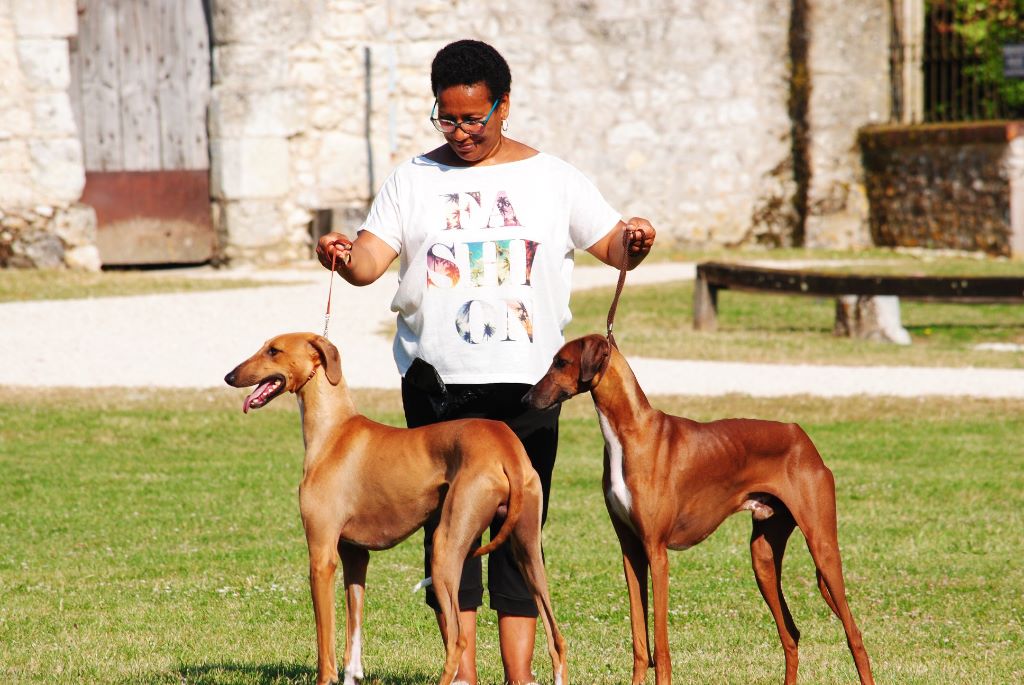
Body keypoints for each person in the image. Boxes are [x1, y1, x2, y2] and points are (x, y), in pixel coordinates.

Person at [316, 38, 656, 685]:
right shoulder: (413, 178)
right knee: (450, 539)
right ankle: (461, 670)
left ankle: (519, 676)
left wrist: (636, 237)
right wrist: (334, 254)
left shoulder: (551, 177)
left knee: (520, 535)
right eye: (448, 118)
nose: (462, 132)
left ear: (504, 105)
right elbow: (366, 263)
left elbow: (615, 245)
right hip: (438, 390)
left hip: (527, 391)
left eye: (475, 117)